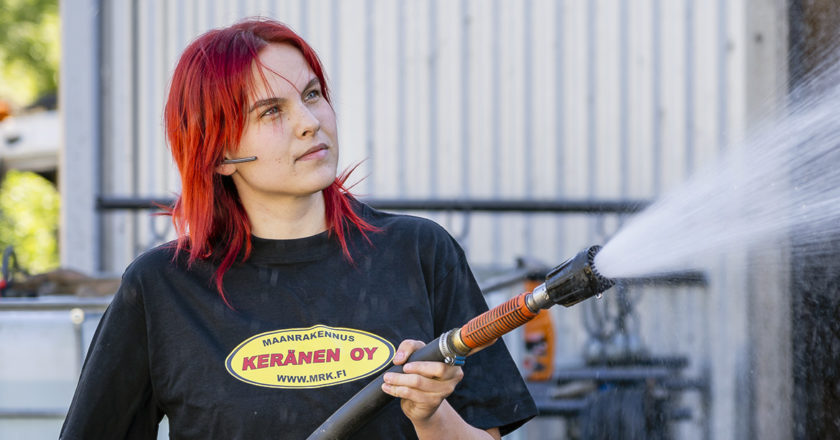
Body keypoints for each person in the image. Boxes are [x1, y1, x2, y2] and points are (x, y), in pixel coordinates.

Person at [60, 18, 537, 439]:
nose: (310, 123)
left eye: (312, 95)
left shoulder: (419, 252)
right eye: (271, 111)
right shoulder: (161, 287)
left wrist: (430, 415)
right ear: (219, 153)